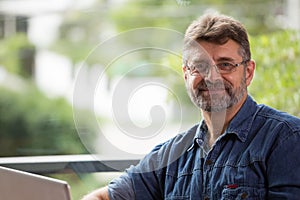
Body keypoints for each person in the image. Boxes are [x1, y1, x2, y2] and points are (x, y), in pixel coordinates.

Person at [82, 13, 300, 200]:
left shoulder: (285, 138)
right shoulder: (169, 156)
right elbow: (103, 197)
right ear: (186, 74)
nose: (212, 76)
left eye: (225, 65)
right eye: (200, 66)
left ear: (248, 72)